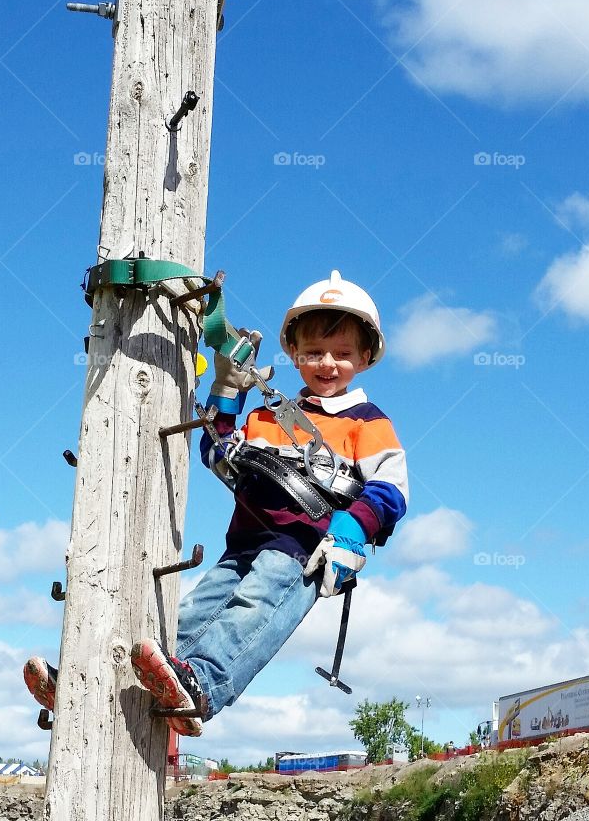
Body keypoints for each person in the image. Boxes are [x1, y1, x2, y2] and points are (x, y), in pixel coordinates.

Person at [24, 270, 408, 737]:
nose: (327, 363)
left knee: (253, 607)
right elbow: (217, 451)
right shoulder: (269, 415)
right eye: (313, 352)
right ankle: (96, 685)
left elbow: (390, 488)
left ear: (366, 358)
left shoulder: (367, 422)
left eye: (343, 354)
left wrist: (353, 529)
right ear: (293, 353)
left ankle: (203, 684)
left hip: (304, 550)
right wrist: (227, 389)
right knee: (182, 615)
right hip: (243, 544)